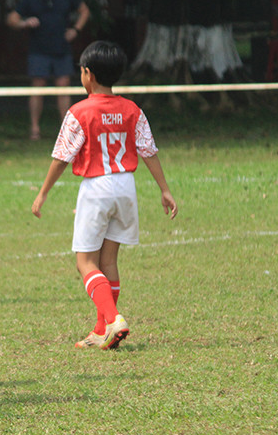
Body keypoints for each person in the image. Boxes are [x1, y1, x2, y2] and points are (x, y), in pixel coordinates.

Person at [31, 40, 177, 350]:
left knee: (85, 262)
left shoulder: (79, 112)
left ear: (88, 74)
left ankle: (113, 319)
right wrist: (164, 189)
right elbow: (148, 150)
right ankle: (101, 331)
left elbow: (62, 157)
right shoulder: (132, 109)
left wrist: (42, 193)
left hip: (97, 188)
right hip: (126, 187)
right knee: (108, 260)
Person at [6, 0, 90, 140]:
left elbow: (84, 11)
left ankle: (66, 129)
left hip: (61, 48)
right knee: (38, 87)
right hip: (38, 49)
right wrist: (24, 23)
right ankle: (35, 128)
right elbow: (12, 18)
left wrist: (75, 30)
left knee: (63, 87)